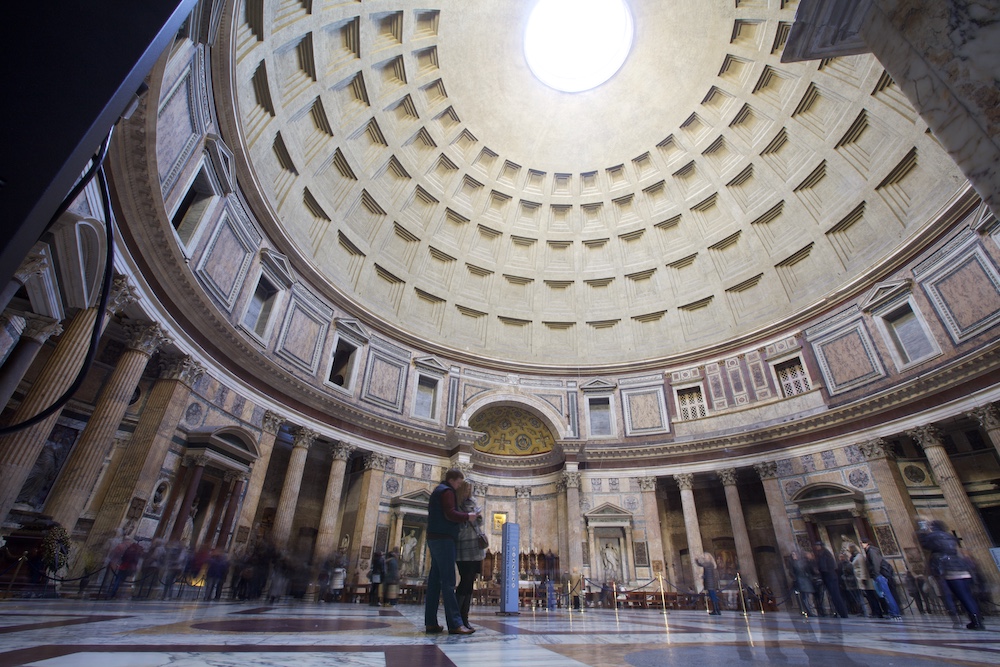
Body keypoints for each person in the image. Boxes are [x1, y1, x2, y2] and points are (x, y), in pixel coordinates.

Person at [424, 469, 477, 635]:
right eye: (459, 483)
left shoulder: (437, 490)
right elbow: (450, 514)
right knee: (448, 582)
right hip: (444, 539)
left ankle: (431, 622)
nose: (459, 486)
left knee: (434, 582)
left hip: (434, 538)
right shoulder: (447, 491)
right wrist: (468, 516)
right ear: (453, 480)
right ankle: (455, 623)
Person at [918, 519, 985, 630]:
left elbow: (925, 544)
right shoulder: (949, 536)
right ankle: (976, 619)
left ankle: (973, 622)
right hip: (962, 568)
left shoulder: (934, 536)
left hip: (950, 571)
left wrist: (922, 531)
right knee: (968, 597)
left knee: (957, 596)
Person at [455, 480, 486, 629]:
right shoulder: (457, 504)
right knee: (465, 580)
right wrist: (469, 517)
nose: (470, 492)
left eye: (471, 489)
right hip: (463, 546)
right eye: (467, 489)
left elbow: (479, 523)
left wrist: (478, 517)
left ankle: (464, 617)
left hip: (476, 548)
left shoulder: (473, 501)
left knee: (470, 582)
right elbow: (457, 525)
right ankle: (457, 617)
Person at [860, 537, 901, 619]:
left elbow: (876, 563)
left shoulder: (872, 551)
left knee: (887, 594)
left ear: (866, 543)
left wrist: (875, 574)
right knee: (884, 595)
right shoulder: (870, 551)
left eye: (862, 543)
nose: (861, 544)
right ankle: (892, 612)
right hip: (879, 574)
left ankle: (894, 612)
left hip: (880, 575)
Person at [813, 542, 850, 618]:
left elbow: (824, 566)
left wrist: (818, 571)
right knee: (833, 596)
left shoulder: (824, 554)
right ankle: (839, 612)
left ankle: (843, 613)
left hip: (830, 577)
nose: (816, 547)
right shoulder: (824, 553)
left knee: (835, 596)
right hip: (829, 577)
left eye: (817, 546)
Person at [849, 543, 882, 618]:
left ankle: (877, 612)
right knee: (869, 597)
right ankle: (874, 611)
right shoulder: (856, 557)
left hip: (865, 579)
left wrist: (863, 578)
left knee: (871, 596)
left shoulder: (859, 556)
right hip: (861, 579)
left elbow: (863, 567)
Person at [789, 550, 816, 617]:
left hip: (806, 580)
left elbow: (808, 569)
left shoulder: (803, 562)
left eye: (794, 554)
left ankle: (812, 611)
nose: (794, 556)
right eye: (792, 555)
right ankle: (808, 611)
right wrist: (795, 579)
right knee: (804, 598)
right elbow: (791, 572)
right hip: (800, 581)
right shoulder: (792, 564)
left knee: (808, 596)